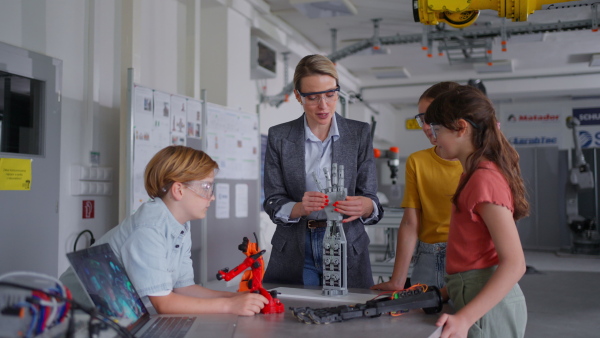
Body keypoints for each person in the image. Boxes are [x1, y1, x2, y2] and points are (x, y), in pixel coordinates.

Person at [61, 146, 268, 316]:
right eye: (206, 188)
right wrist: (229, 307)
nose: (212, 197)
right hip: (71, 315)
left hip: (108, 316)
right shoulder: (149, 229)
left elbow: (183, 288)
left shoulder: (179, 225)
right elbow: (164, 304)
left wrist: (234, 298)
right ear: (178, 190)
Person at [262, 54, 383, 288]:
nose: (323, 105)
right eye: (313, 97)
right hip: (296, 247)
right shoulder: (279, 136)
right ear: (298, 96)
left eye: (330, 94)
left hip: (348, 244)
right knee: (290, 319)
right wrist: (298, 208)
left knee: (350, 317)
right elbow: (273, 200)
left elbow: (370, 197)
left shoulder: (358, 134)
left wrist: (366, 206)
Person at [425, 86, 529, 337]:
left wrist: (464, 318)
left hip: (486, 306)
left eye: (438, 130)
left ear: (461, 128)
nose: (434, 138)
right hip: (471, 294)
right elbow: (473, 252)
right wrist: (445, 293)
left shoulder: (484, 178)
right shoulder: (471, 176)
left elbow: (515, 264)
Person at [371, 82, 462, 295]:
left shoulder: (476, 162)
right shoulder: (417, 161)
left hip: (465, 259)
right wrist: (397, 281)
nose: (426, 126)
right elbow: (411, 222)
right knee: (419, 324)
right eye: (422, 119)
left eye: (433, 119)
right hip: (427, 259)